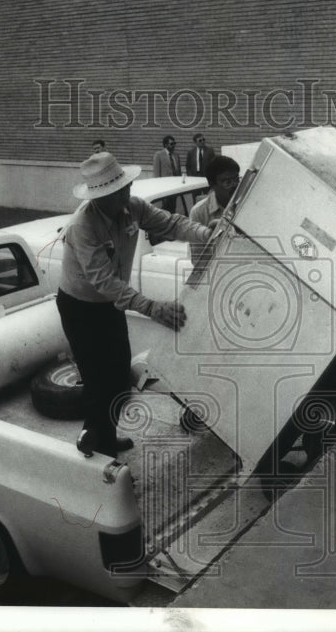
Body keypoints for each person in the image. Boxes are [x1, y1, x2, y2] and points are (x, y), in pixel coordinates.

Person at [57, 152, 214, 458]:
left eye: (127, 187)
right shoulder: (83, 226)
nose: (128, 193)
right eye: (120, 191)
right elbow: (104, 282)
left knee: (118, 373)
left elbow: (171, 224)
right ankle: (101, 449)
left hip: (109, 305)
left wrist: (207, 233)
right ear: (101, 196)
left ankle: (100, 434)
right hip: (80, 307)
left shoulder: (132, 207)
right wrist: (154, 308)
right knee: (96, 377)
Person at [188, 156, 240, 263]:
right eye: (228, 182)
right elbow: (198, 260)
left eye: (236, 179)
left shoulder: (245, 203)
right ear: (212, 184)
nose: (235, 185)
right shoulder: (198, 213)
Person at [151, 135, 182, 212]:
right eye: (171, 144)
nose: (174, 145)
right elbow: (157, 172)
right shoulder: (159, 155)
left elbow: (179, 171)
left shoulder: (176, 155)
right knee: (165, 206)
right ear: (165, 145)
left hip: (175, 185)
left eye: (174, 143)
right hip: (165, 186)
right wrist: (159, 186)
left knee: (173, 205)